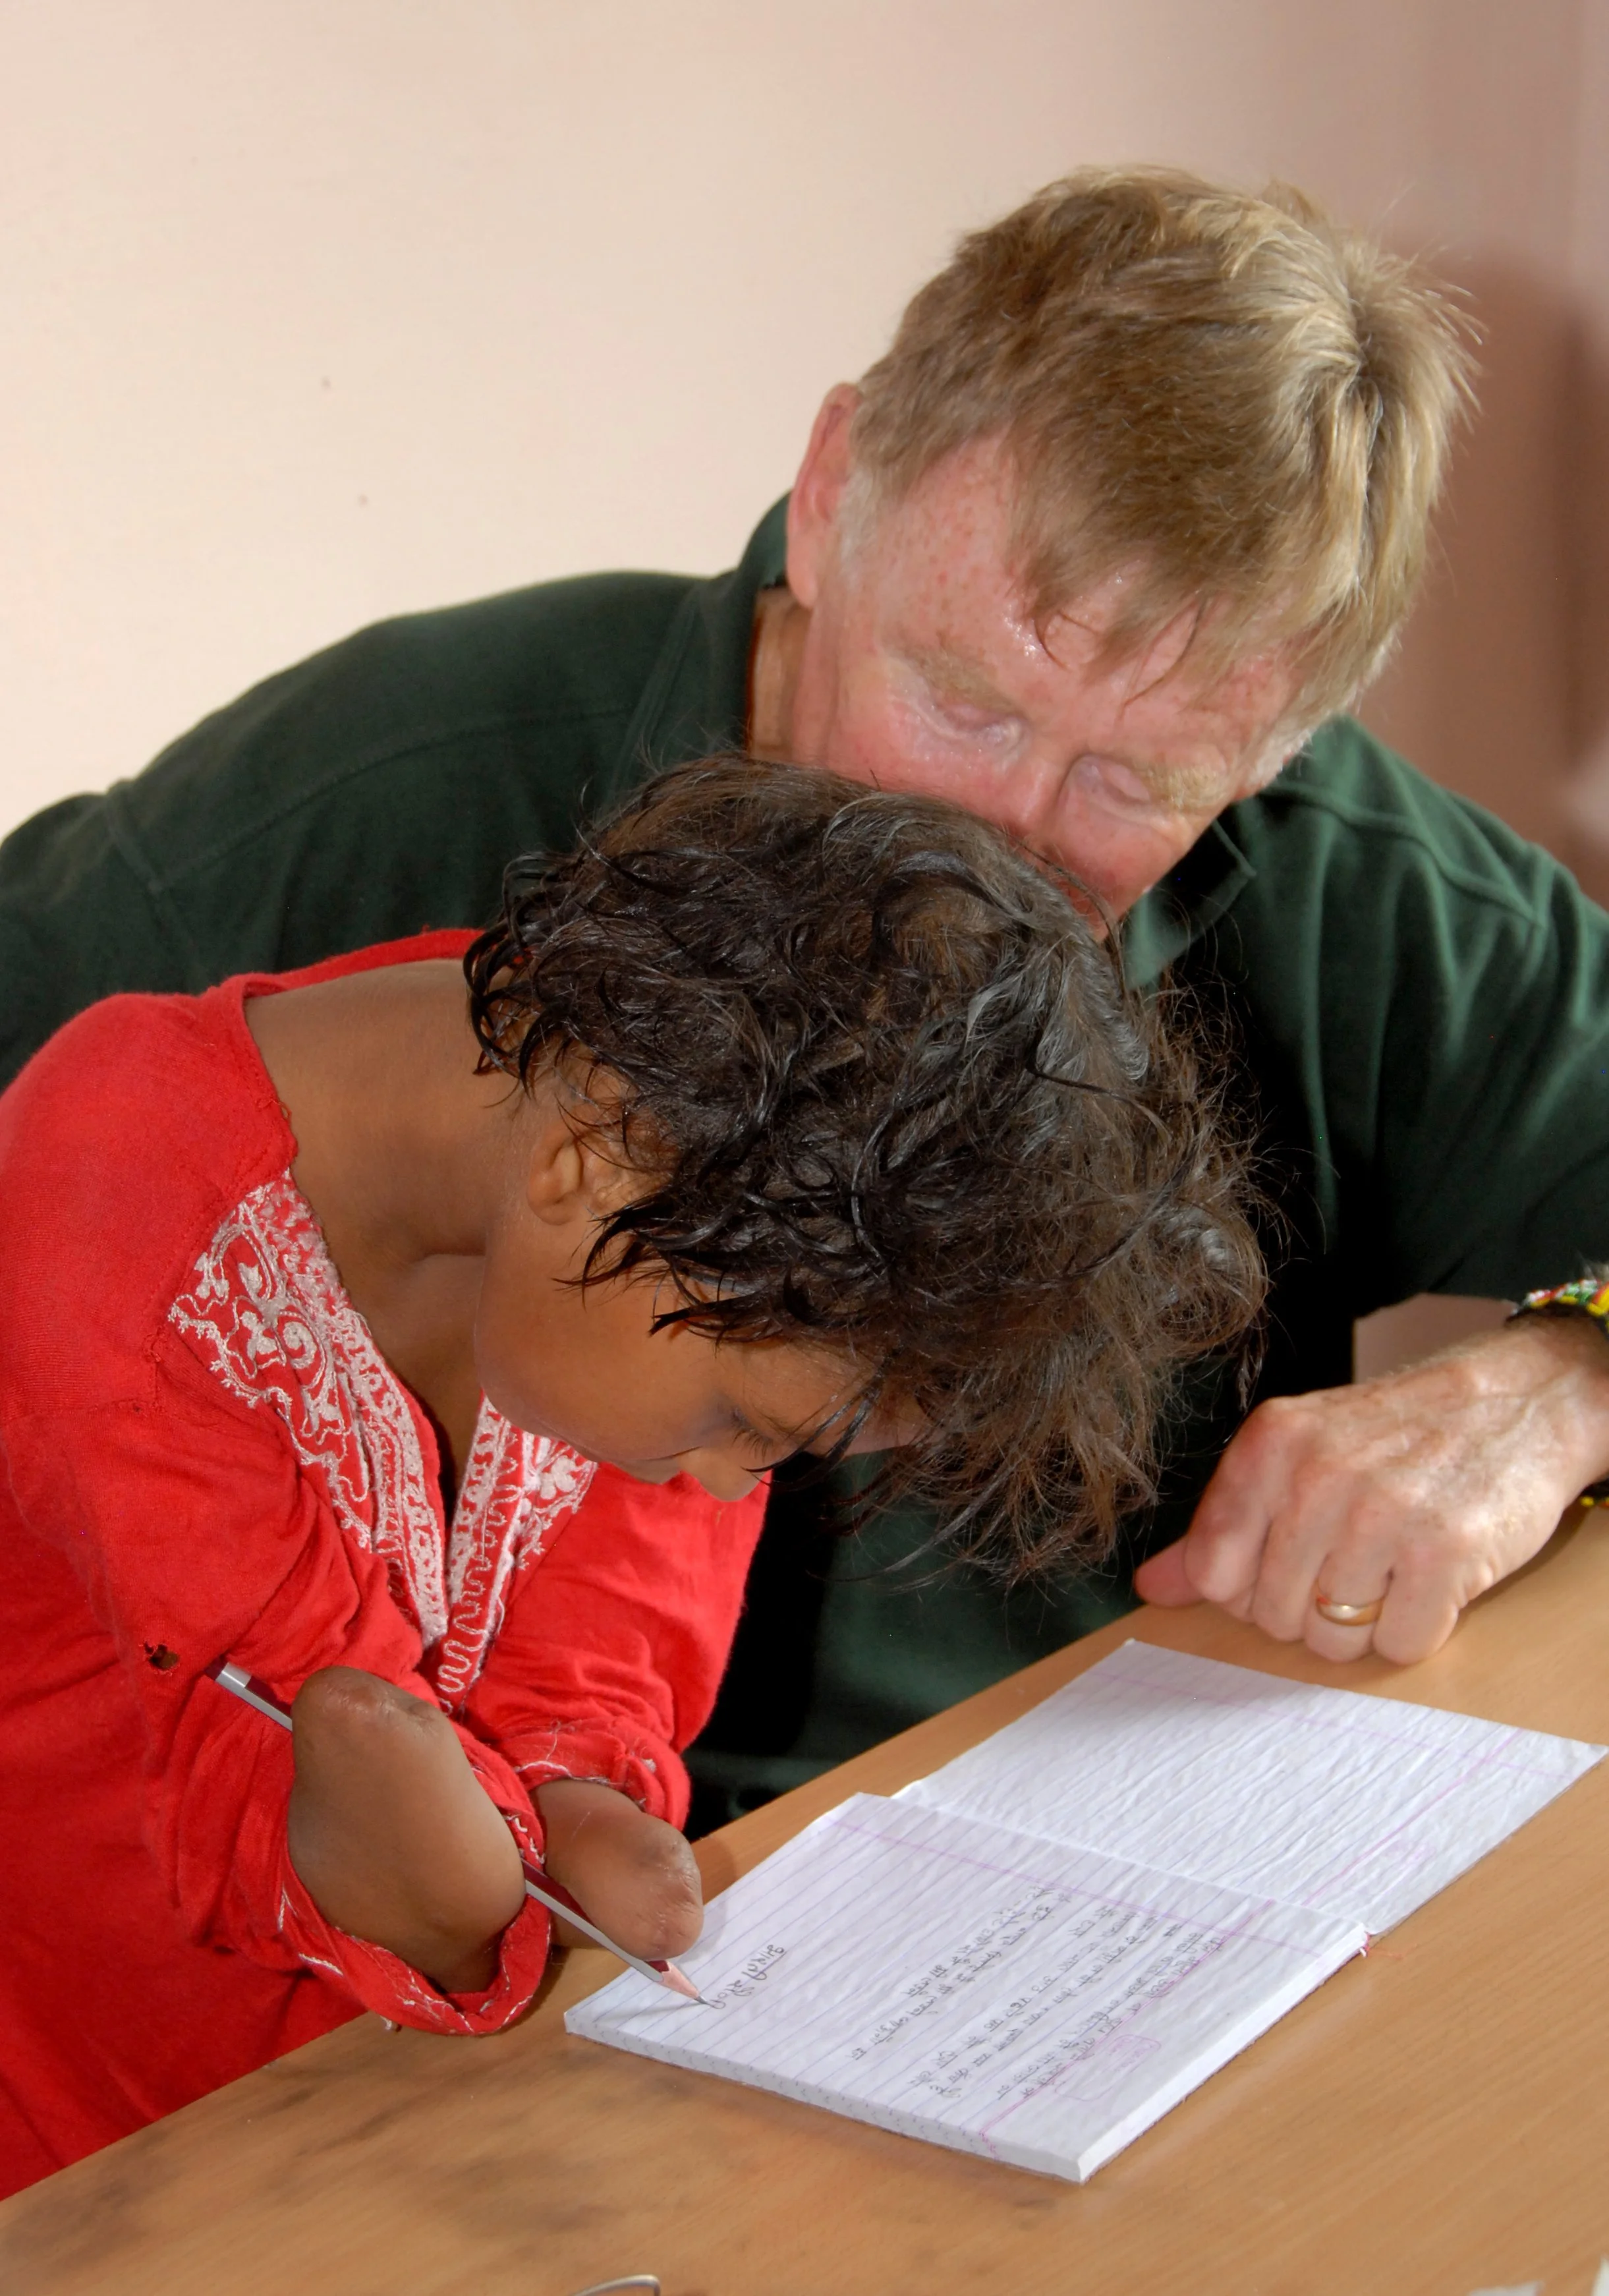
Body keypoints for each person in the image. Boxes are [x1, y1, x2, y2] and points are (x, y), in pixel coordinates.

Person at [1, 166, 1606, 1832]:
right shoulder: (390, 790)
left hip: (1074, 1877)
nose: (1004, 837)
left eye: (1135, 780)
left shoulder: (1355, 889)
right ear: (834, 492)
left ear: (1271, 756)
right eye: (963, 702)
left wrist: (1554, 1385)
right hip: (358, 1954)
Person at [0, 757, 1261, 2195]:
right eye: (753, 1424)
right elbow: (306, 1765)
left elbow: (611, 1622)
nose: (734, 1488)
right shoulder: (114, 1199)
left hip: (397, 2132)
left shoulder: (651, 1155)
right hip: (93, 2145)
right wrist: (453, 1876)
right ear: (593, 1157)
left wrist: (580, 1788)